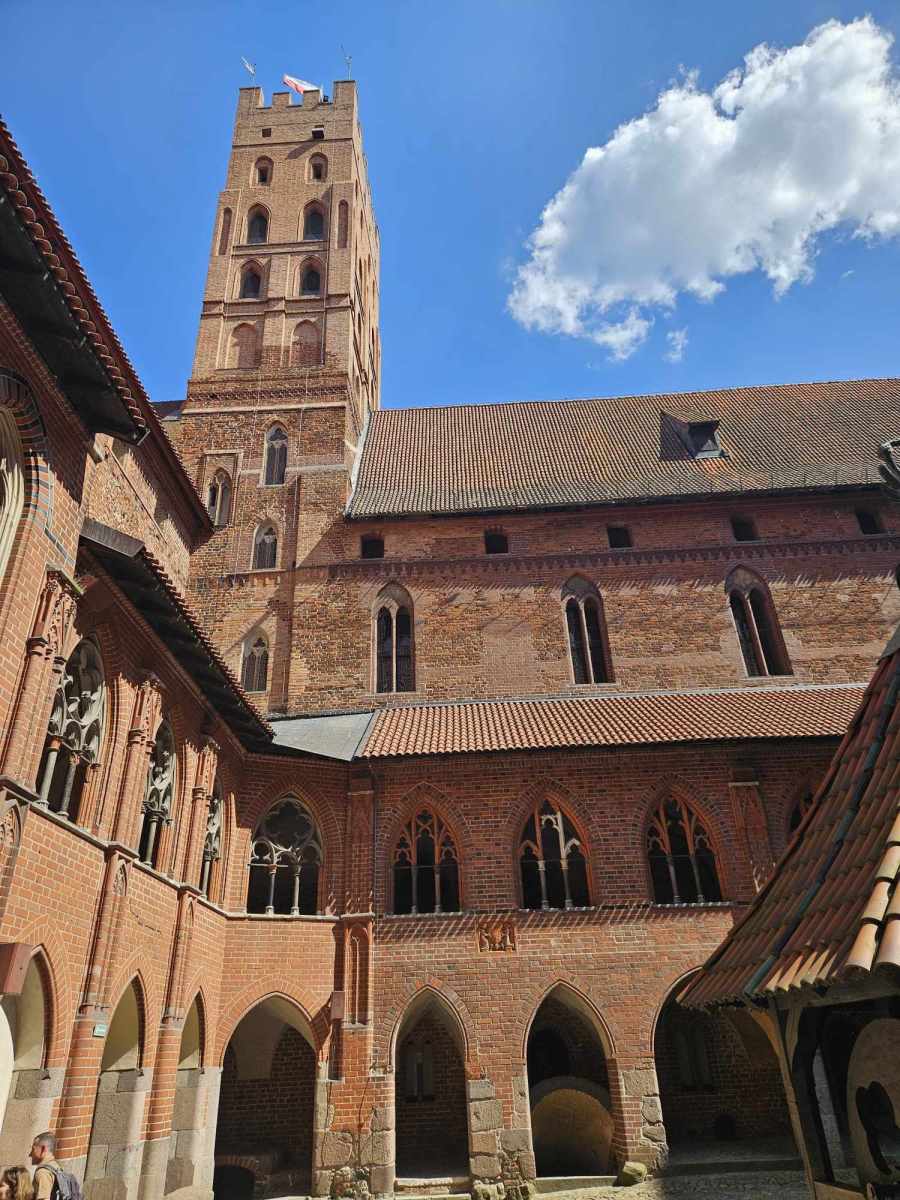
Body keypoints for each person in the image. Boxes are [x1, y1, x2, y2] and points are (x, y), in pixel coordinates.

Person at [29, 1133, 58, 1200]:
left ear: (43, 1149)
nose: (30, 1154)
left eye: (33, 1149)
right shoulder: (56, 1167)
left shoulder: (43, 1172)